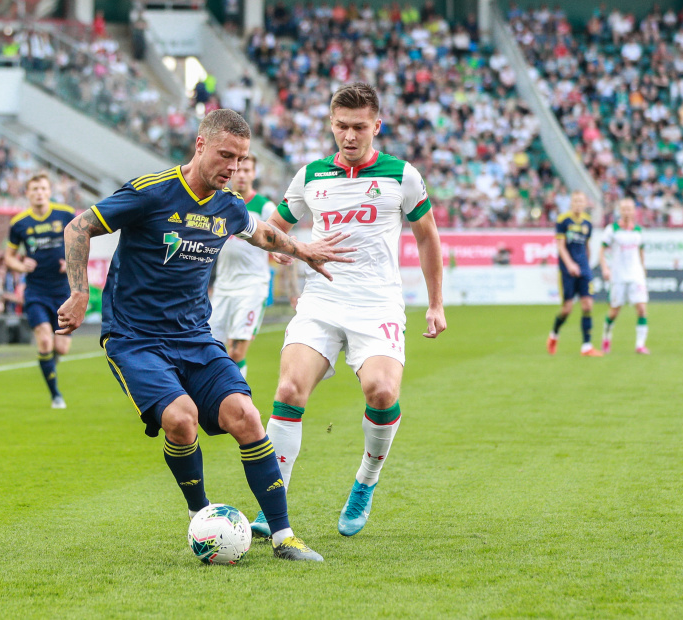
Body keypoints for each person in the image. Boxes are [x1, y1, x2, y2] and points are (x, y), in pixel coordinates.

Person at [55, 109, 355, 562]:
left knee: (247, 416)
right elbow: (79, 227)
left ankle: (283, 536)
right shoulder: (150, 192)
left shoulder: (228, 206)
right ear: (200, 145)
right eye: (225, 155)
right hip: (135, 338)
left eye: (241, 159)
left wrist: (303, 250)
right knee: (181, 420)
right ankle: (202, 517)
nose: (233, 168)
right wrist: (80, 292)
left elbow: (262, 234)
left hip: (195, 337)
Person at [249, 82, 446, 539]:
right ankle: (272, 503)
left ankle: (365, 482)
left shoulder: (402, 175)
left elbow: (427, 238)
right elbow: (273, 229)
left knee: (381, 392)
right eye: (341, 126)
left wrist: (435, 303)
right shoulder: (310, 176)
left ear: (377, 125)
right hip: (322, 300)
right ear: (331, 124)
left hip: (377, 303)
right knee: (289, 388)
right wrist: (285, 249)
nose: (350, 135)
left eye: (359, 127)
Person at [4, 174, 75, 409]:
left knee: (61, 347)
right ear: (27, 193)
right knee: (44, 340)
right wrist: (20, 265)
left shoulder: (65, 214)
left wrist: (71, 261)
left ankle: (49, 364)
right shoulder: (19, 223)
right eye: (34, 189)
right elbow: (9, 257)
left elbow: (81, 241)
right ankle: (56, 395)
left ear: (49, 191)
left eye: (43, 188)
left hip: (62, 291)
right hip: (36, 290)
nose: (39, 193)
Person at [208, 155, 276, 379]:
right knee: (213, 349)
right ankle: (216, 395)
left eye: (247, 170)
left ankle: (238, 396)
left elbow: (283, 241)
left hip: (251, 286)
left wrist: (293, 288)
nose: (242, 175)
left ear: (254, 174)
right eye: (239, 170)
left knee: (236, 351)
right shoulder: (219, 203)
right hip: (223, 287)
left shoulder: (264, 207)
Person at [547, 190, 603, 356]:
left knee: (587, 305)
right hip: (567, 270)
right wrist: (570, 264)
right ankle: (554, 335)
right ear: (571, 203)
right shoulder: (563, 220)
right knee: (567, 309)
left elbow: (586, 246)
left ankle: (587, 346)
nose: (578, 204)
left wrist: (587, 265)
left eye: (581, 201)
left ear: (585, 204)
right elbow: (561, 246)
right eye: (575, 201)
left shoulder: (587, 223)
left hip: (584, 269)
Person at [600, 198, 649, 354]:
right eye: (624, 209)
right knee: (614, 311)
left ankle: (640, 345)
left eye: (629, 209)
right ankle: (606, 337)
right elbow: (602, 250)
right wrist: (605, 268)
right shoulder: (612, 229)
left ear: (634, 211)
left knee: (641, 309)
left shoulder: (638, 231)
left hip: (636, 274)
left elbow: (641, 251)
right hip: (618, 275)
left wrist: (643, 268)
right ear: (620, 211)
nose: (627, 212)